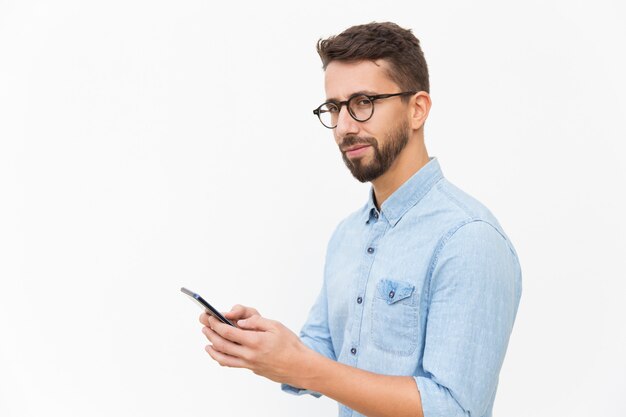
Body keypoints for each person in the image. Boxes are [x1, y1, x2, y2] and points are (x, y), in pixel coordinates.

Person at [199, 21, 522, 417]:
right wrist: (265, 346)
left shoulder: (468, 239)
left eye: (364, 102)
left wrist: (306, 367)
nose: (346, 127)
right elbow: (324, 351)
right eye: (334, 107)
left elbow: (453, 408)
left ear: (417, 109)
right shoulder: (347, 235)